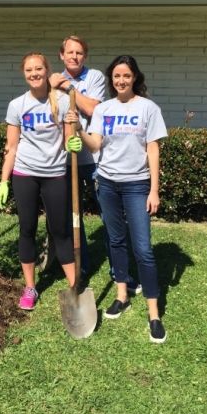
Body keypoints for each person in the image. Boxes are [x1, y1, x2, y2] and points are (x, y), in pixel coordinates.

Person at [65, 55, 168, 343]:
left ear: (135, 78)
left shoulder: (148, 108)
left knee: (144, 248)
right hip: (107, 183)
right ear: (111, 80)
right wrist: (80, 131)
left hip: (137, 185)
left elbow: (153, 150)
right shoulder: (104, 109)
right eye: (116, 76)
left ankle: (154, 313)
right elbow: (96, 143)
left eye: (126, 76)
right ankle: (122, 295)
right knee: (115, 240)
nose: (121, 80)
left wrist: (154, 189)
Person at [49, 36, 142, 294]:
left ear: (85, 56)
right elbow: (54, 116)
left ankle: (119, 270)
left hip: (94, 159)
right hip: (65, 160)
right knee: (72, 218)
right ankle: (82, 268)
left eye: (79, 52)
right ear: (61, 55)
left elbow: (93, 109)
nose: (74, 56)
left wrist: (67, 87)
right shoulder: (51, 81)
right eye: (70, 52)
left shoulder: (96, 78)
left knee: (108, 216)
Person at [0, 52, 82, 311]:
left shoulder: (64, 101)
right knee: (27, 230)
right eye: (29, 70)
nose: (34, 74)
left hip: (55, 173)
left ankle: (75, 285)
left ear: (47, 71)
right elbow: (11, 147)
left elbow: (68, 139)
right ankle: (30, 287)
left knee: (61, 231)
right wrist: (4, 181)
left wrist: (73, 142)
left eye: (38, 69)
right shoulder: (17, 105)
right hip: (25, 174)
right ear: (24, 74)